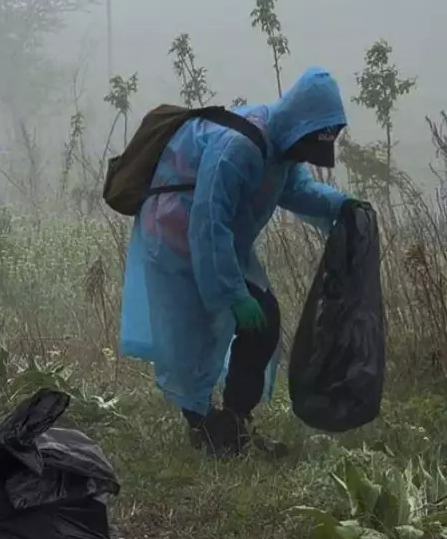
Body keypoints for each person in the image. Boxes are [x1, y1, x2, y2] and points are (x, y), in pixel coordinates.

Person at [118, 66, 358, 457]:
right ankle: (203, 428)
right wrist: (232, 293)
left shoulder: (280, 145)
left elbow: (294, 189)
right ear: (300, 125)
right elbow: (208, 222)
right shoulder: (239, 147)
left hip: (218, 241)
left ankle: (233, 422)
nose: (306, 156)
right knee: (191, 335)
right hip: (177, 236)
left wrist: (342, 206)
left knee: (263, 321)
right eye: (308, 145)